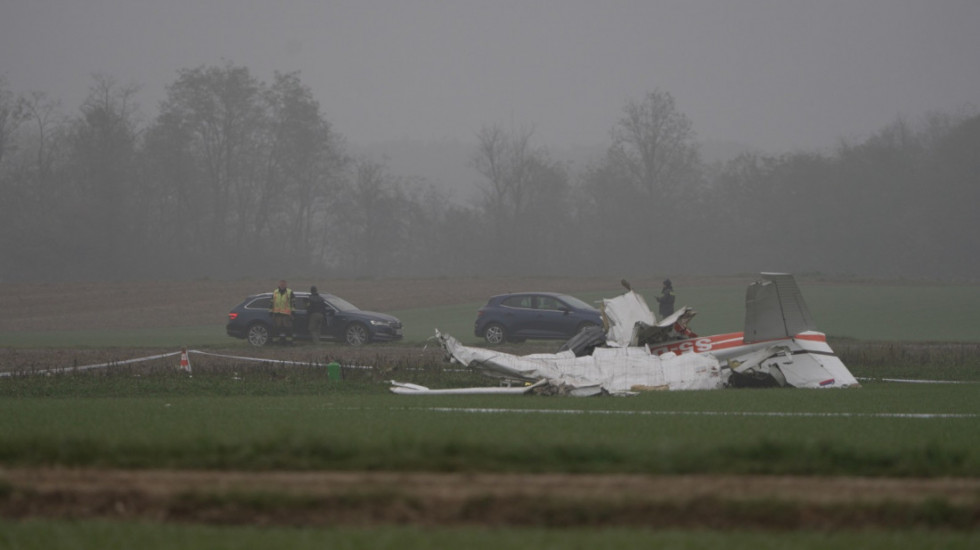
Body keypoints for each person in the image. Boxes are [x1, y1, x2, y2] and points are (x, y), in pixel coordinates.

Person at [270, 279, 295, 345]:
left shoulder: (289, 292)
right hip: (277, 314)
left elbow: (293, 303)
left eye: (283, 284)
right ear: (279, 284)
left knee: (288, 329)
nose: (282, 285)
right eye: (281, 284)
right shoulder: (275, 292)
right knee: (276, 329)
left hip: (286, 314)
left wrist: (293, 312)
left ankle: (289, 342)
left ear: (286, 285)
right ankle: (276, 342)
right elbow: (271, 303)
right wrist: (270, 312)